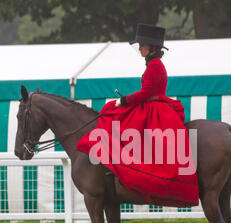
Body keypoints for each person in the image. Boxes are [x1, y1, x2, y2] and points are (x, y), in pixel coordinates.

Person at [77, 23, 199, 207]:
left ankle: (122, 166)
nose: (140, 48)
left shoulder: (155, 66)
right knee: (111, 111)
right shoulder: (153, 64)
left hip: (154, 109)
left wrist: (123, 100)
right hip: (151, 105)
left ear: (152, 47)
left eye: (143, 44)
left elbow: (145, 93)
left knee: (112, 113)